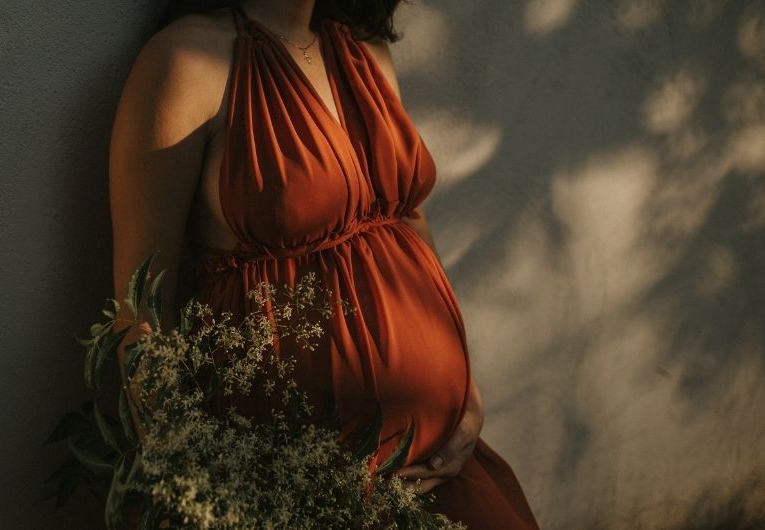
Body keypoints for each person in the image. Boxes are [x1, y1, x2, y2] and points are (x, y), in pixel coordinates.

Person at [108, 1, 540, 528]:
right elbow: (141, 309)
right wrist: (194, 487)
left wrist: (464, 390)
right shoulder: (184, 62)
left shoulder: (365, 50)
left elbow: (410, 224)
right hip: (300, 491)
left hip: (438, 465)